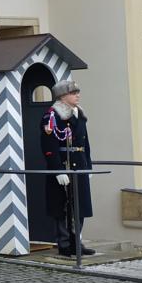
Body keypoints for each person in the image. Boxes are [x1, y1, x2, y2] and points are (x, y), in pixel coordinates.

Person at [42, 79, 97, 257]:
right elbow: (49, 146)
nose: (77, 96)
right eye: (73, 93)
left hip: (79, 165)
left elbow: (85, 143)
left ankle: (76, 242)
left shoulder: (79, 113)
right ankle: (64, 243)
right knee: (63, 207)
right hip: (64, 165)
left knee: (80, 206)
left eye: (77, 92)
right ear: (62, 96)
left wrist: (88, 166)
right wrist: (57, 170)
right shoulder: (52, 115)